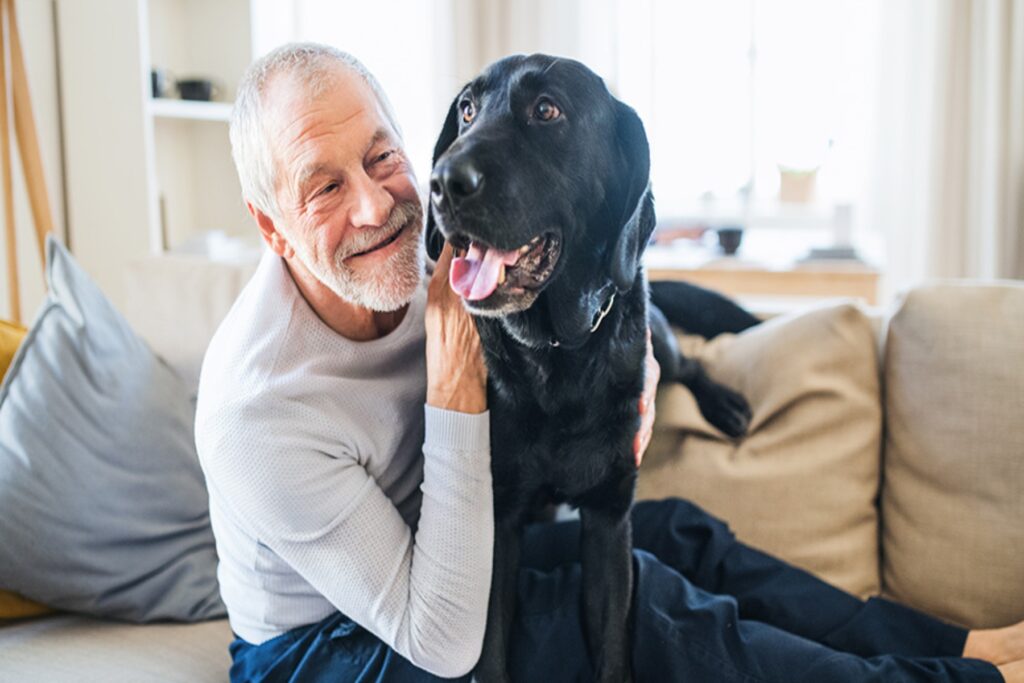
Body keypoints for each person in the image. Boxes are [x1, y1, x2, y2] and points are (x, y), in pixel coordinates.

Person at [195, 42, 1024, 683]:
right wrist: (454, 386)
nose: (375, 206)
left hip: (453, 553)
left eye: (382, 157)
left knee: (672, 532)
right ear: (272, 227)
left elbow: (599, 238)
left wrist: (646, 373)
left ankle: (954, 638)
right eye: (323, 189)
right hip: (333, 647)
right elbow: (440, 640)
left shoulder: (427, 238)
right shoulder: (256, 412)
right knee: (650, 608)